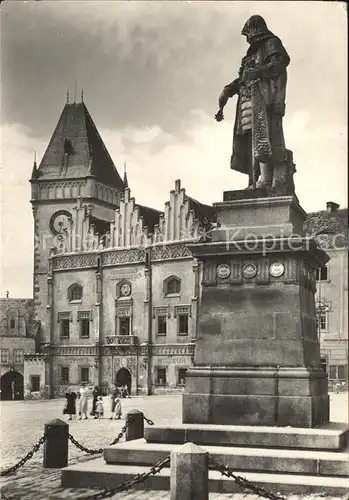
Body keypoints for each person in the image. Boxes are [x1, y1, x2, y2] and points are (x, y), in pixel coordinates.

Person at [215, 15, 292, 193]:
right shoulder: (250, 54)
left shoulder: (272, 43)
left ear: (256, 30)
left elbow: (278, 66)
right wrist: (229, 90)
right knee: (251, 139)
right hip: (247, 101)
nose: (248, 39)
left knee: (266, 137)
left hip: (265, 99)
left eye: (248, 34)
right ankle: (256, 178)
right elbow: (244, 78)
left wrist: (257, 71)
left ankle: (269, 180)